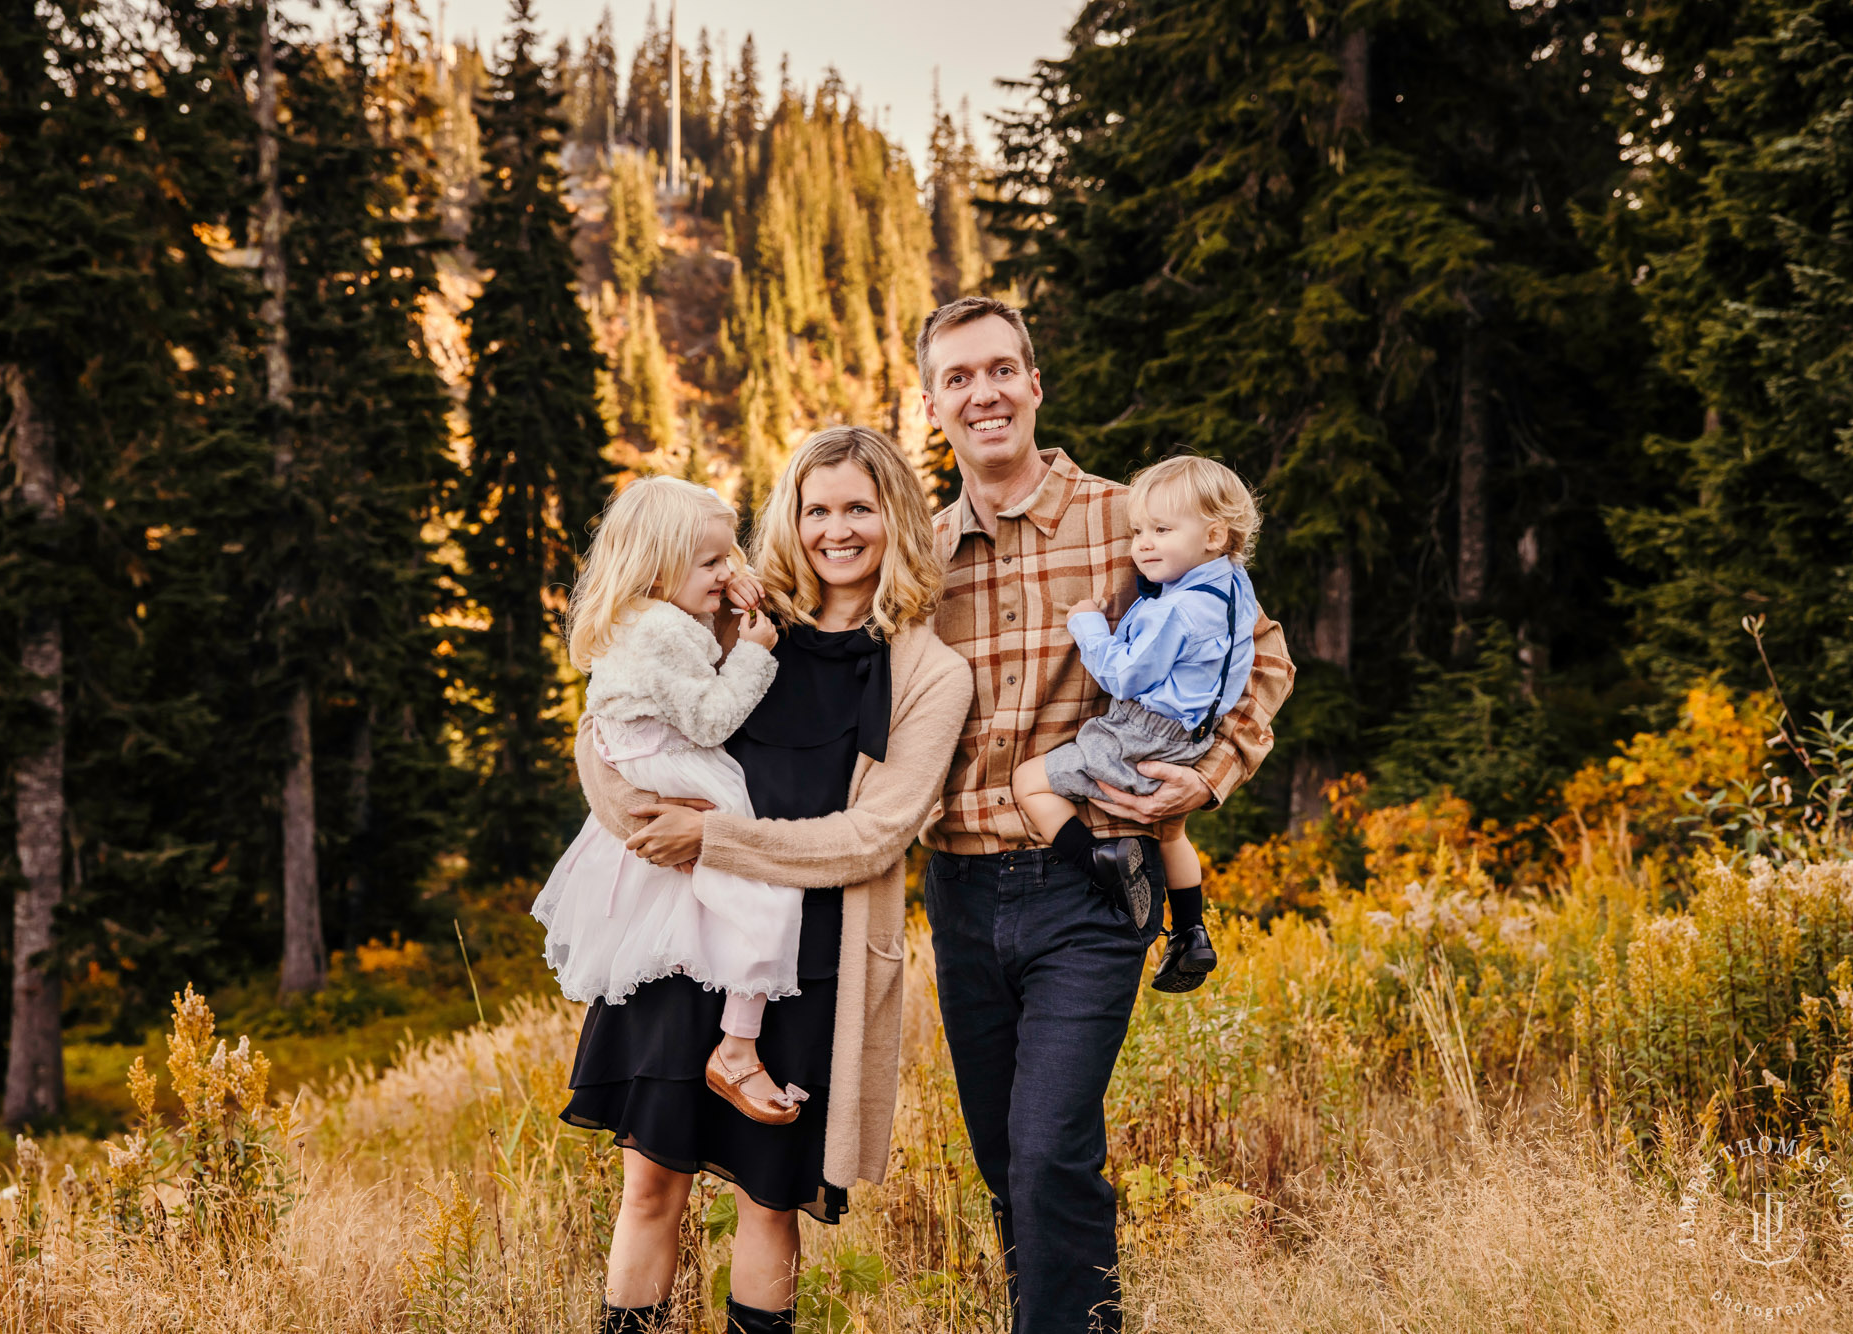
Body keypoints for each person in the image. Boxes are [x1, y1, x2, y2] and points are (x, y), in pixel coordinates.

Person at [917, 295, 1295, 1334]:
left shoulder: (1129, 518)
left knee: (1048, 1149)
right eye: (957, 377)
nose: (982, 392)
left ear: (1033, 383)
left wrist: (1207, 774)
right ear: (930, 402)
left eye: (1001, 369)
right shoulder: (916, 549)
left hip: (1090, 878)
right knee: (1004, 1158)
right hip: (954, 889)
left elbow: (1259, 655)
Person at [564, 427, 973, 1334]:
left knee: (767, 1197)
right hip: (680, 938)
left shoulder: (925, 673)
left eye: (859, 508)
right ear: (789, 516)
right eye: (815, 507)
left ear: (896, 519)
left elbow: (874, 835)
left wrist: (717, 841)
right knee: (650, 1183)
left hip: (806, 959)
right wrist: (638, 819)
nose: (836, 530)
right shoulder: (741, 624)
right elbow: (613, 728)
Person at [530, 475, 811, 1125]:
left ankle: (733, 1044)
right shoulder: (662, 631)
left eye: (729, 557)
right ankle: (737, 1048)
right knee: (766, 902)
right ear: (658, 567)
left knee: (723, 910)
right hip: (680, 779)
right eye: (710, 562)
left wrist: (730, 593)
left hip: (657, 775)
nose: (726, 570)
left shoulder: (646, 620)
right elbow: (712, 718)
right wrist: (756, 652)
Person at [1011, 454, 1262, 994]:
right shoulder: (1236, 587)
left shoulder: (1175, 610)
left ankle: (1101, 863)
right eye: (1139, 531)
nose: (1143, 544)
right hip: (1194, 739)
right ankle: (1192, 931)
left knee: (1028, 782)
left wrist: (1087, 626)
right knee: (1172, 829)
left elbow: (1123, 676)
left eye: (1162, 530)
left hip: (1141, 731)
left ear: (1215, 534)